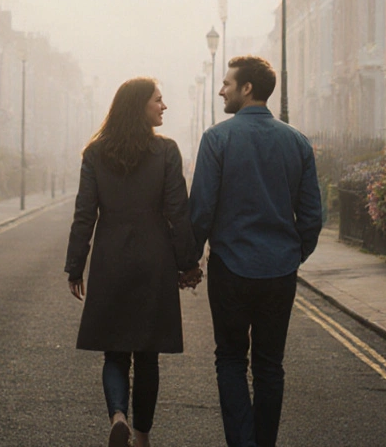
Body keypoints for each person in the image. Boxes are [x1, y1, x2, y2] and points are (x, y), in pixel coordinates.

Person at [187, 55, 322, 447]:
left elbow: (201, 210)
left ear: (247, 88)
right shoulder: (297, 142)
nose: (221, 89)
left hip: (230, 267)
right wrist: (294, 253)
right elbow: (312, 214)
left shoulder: (217, 138)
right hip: (279, 271)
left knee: (230, 358)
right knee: (269, 365)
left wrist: (190, 259)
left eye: (227, 83)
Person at [65, 78, 198, 447]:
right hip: (154, 258)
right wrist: (188, 262)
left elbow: (84, 214)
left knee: (115, 350)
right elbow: (177, 211)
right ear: (139, 105)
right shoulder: (167, 151)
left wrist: (75, 265)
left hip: (110, 258)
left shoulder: (94, 153)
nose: (164, 106)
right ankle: (141, 437)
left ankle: (118, 415)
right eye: (158, 100)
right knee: (148, 353)